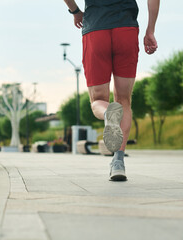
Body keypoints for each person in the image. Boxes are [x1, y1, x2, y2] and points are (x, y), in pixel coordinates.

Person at [63, 0, 160, 181]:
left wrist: (75, 11)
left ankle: (108, 114)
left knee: (98, 99)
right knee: (124, 100)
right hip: (127, 29)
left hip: (95, 29)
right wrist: (150, 30)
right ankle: (118, 163)